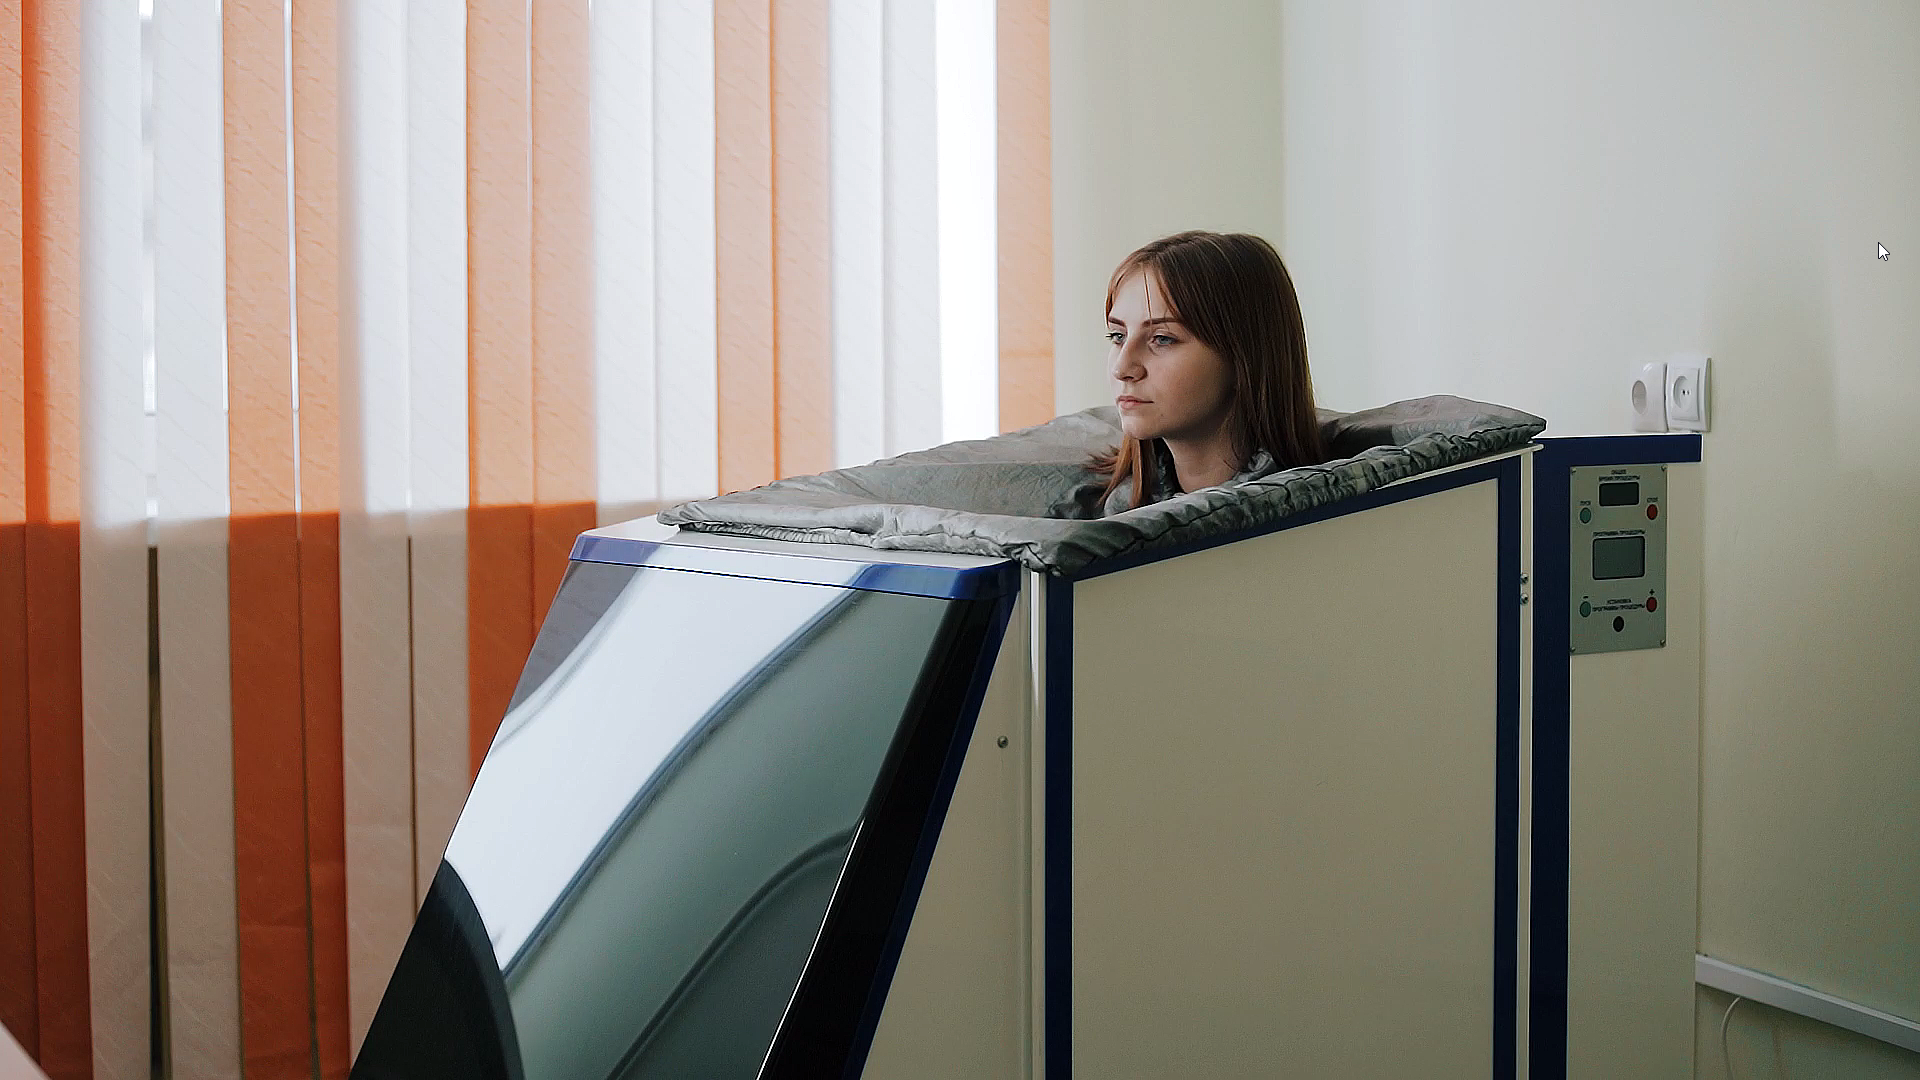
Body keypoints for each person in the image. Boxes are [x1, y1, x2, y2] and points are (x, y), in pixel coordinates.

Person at [1094, 230, 1327, 514]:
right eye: (1118, 336)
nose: (1122, 368)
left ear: (1244, 357)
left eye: (1163, 339)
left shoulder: (1323, 520)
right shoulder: (1096, 505)